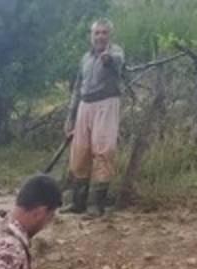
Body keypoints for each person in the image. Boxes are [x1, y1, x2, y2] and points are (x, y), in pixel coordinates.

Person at [62, 18, 125, 217]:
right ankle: (78, 203)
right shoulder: (85, 59)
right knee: (80, 152)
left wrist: (107, 59)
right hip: (84, 105)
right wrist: (71, 115)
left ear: (110, 35)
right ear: (92, 35)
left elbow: (115, 62)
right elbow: (77, 90)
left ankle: (98, 205)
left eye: (104, 33)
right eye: (97, 33)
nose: (100, 37)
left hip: (106, 103)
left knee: (103, 150)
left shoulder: (116, 53)